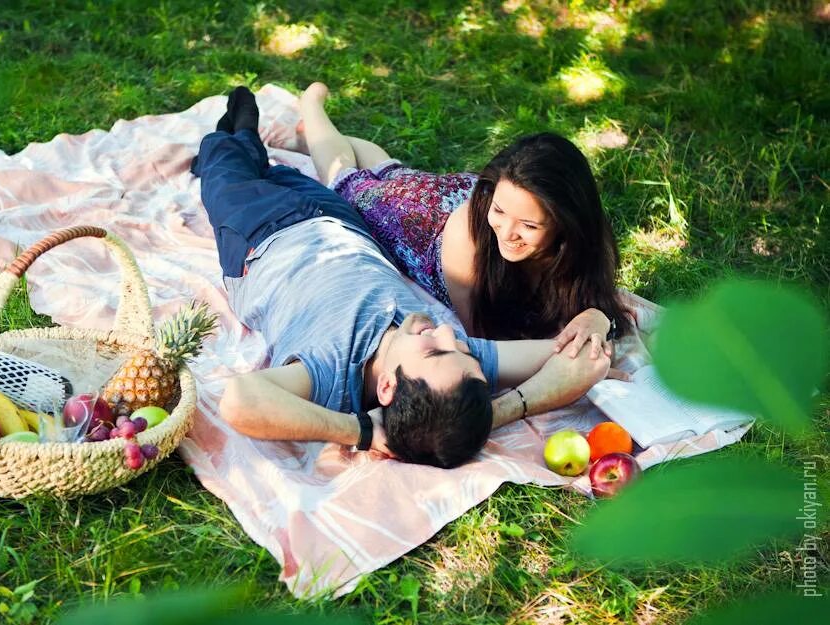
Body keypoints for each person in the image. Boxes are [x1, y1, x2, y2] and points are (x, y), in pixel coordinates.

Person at [192, 87, 611, 469]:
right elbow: (585, 357)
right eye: (460, 350)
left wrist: (360, 431)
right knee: (317, 175)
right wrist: (595, 320)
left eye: (436, 351)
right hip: (341, 222)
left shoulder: (330, 372)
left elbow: (240, 399)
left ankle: (240, 135)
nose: (448, 335)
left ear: (388, 387)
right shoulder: (453, 368)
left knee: (226, 165)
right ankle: (266, 151)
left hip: (262, 235)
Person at [296, 82, 633, 358]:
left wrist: (597, 317)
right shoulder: (470, 244)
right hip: (420, 219)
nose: (508, 234)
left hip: (462, 195)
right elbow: (485, 343)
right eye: (500, 212)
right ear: (493, 190)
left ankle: (316, 137)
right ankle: (311, 106)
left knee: (395, 173)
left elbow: (601, 303)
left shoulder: (585, 242)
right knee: (348, 182)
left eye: (529, 226)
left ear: (567, 224)